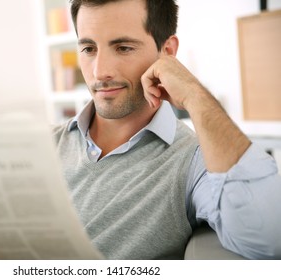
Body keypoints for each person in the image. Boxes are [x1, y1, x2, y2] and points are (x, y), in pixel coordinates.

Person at [52, 0, 281, 259]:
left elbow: (270, 240)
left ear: (167, 51)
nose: (99, 71)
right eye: (89, 48)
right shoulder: (45, 144)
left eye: (123, 47)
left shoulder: (193, 162)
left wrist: (194, 94)